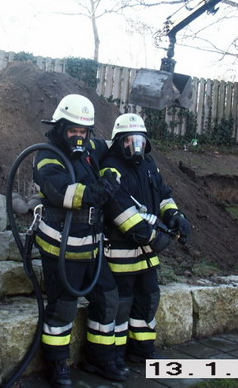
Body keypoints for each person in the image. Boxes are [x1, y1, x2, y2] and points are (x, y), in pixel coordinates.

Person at [33, 94, 128, 387]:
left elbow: (113, 150)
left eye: (83, 131)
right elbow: (63, 193)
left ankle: (100, 358)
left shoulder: (89, 149)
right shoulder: (48, 155)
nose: (78, 136)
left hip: (92, 246)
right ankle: (57, 365)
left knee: (108, 298)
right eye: (73, 130)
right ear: (61, 128)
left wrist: (111, 171)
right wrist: (97, 192)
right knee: (63, 308)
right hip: (61, 246)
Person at [100, 113, 192, 370]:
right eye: (128, 141)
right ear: (118, 142)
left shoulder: (150, 165)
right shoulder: (110, 166)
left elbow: (163, 196)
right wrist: (148, 235)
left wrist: (175, 215)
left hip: (147, 254)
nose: (134, 147)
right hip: (121, 252)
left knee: (148, 298)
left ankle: (142, 350)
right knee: (121, 305)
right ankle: (115, 356)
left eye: (138, 141)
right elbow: (116, 206)